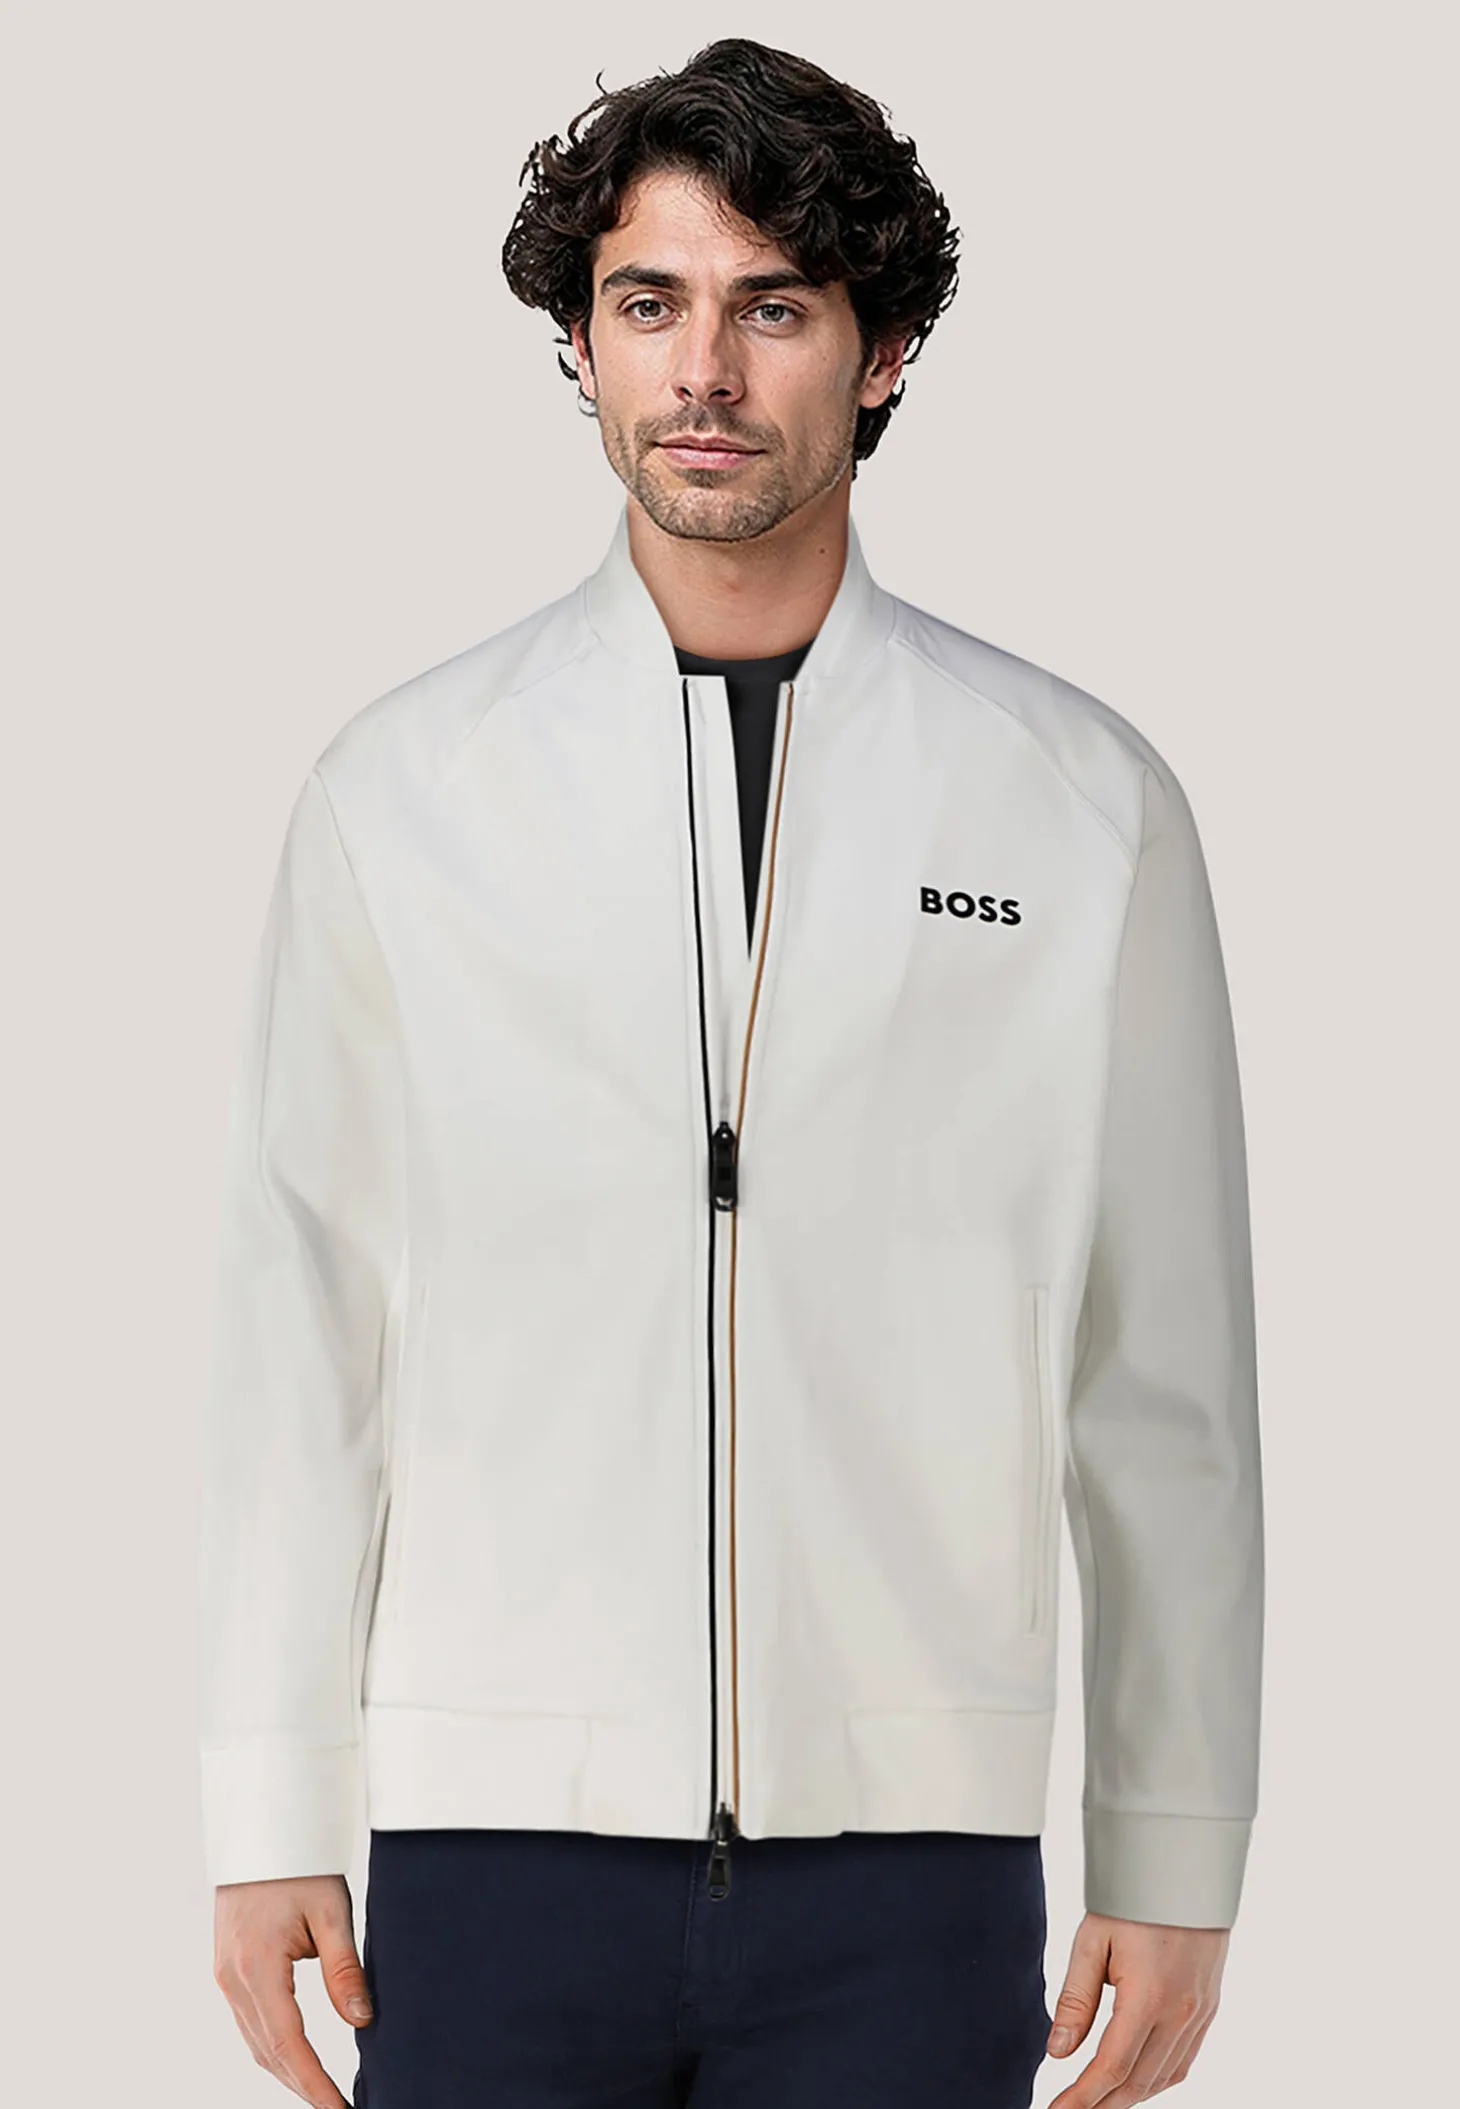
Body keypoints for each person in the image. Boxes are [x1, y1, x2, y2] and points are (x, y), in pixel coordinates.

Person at [201, 36, 1264, 2109]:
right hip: (490, 1844)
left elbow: (1166, 1380)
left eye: (774, 307)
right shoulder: (405, 793)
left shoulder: (1076, 805)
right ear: (581, 345)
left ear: (881, 355)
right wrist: (266, 1802)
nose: (704, 369)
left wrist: (1174, 1838)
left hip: (915, 1856)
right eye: (649, 302)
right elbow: (298, 1330)